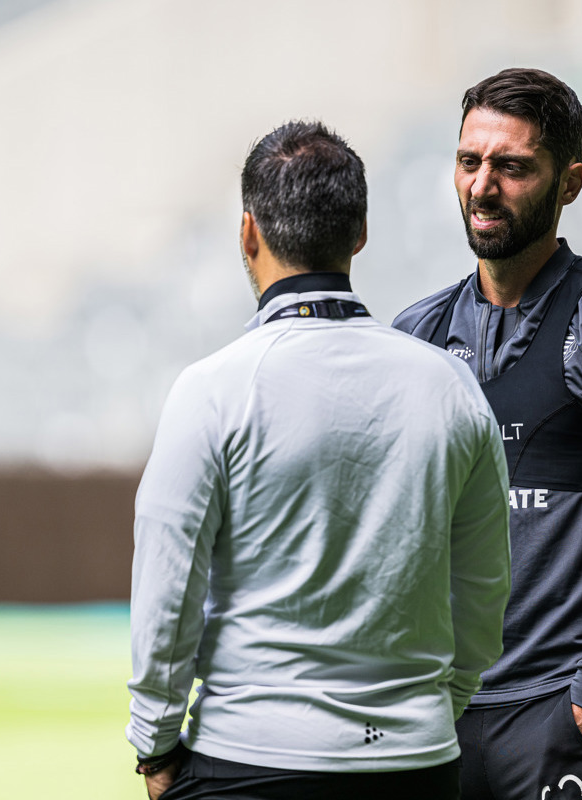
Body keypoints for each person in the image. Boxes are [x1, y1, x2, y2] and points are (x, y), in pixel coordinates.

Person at [127, 120, 512, 800]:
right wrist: (434, 710)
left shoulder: (212, 389)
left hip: (247, 759)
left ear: (248, 233)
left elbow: (168, 588)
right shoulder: (450, 387)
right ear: (360, 233)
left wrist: (155, 744)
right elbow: (483, 591)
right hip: (414, 762)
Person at [393, 68, 582, 799]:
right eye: (469, 162)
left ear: (570, 183)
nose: (482, 186)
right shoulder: (416, 334)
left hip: (565, 714)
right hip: (439, 719)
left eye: (513, 167)